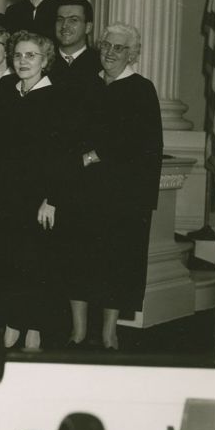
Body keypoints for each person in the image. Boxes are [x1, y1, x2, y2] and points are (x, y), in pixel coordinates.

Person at [67, 23, 163, 350]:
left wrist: (96, 154)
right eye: (106, 45)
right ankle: (78, 330)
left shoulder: (141, 89)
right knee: (78, 257)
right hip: (82, 189)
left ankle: (109, 331)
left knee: (115, 261)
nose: (109, 52)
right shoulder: (85, 85)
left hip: (122, 194)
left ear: (132, 53)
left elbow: (143, 144)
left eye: (118, 48)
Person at [0, 30, 70, 351]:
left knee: (37, 264)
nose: (23, 61)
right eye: (18, 55)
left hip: (39, 198)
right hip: (8, 196)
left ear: (45, 60)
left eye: (30, 55)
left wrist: (52, 200)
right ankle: (12, 324)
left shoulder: (57, 99)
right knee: (10, 262)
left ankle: (34, 328)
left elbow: (63, 157)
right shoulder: (7, 92)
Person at [48, 0, 102, 86]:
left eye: (73, 20)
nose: (64, 25)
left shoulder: (100, 63)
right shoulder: (43, 62)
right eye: (60, 19)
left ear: (88, 27)